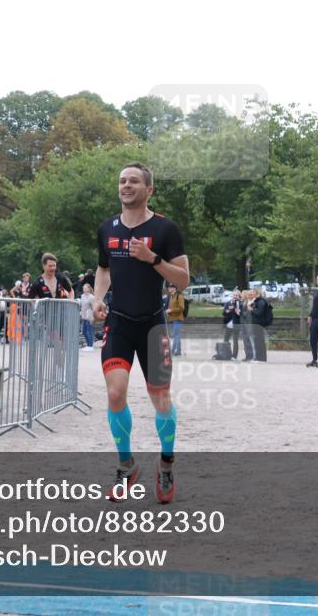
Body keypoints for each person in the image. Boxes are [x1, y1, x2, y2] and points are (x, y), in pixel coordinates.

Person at [92, 162, 189, 504]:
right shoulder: (107, 229)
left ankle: (165, 464)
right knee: (115, 394)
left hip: (153, 324)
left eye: (134, 180)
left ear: (149, 189)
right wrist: (97, 299)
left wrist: (153, 259)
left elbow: (183, 279)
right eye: (121, 181)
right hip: (118, 323)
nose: (126, 185)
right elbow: (103, 269)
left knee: (160, 399)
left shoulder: (165, 229)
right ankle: (126, 466)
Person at [165, 283, 185, 357]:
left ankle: (175, 351)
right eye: (169, 287)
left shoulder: (179, 296)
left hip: (178, 318)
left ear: (174, 288)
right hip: (173, 319)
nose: (169, 288)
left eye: (170, 287)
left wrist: (171, 310)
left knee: (176, 335)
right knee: (176, 335)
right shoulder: (172, 297)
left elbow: (181, 308)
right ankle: (176, 351)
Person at [250, 287, 270, 362]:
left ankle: (261, 358)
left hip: (259, 324)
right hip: (256, 324)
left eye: (253, 292)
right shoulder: (257, 301)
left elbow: (259, 313)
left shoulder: (261, 301)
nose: (252, 294)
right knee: (257, 341)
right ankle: (258, 357)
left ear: (257, 293)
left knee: (260, 341)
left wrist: (251, 310)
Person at [221, 291, 242, 360]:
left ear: (239, 296)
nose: (235, 296)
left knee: (235, 341)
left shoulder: (240, 303)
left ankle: (234, 356)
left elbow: (241, 314)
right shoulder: (228, 303)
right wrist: (228, 311)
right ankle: (225, 354)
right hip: (228, 325)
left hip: (236, 324)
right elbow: (224, 312)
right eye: (234, 295)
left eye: (236, 295)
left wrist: (237, 311)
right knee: (225, 340)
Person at [80, 283, 96, 350]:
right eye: (83, 288)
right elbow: (81, 304)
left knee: (89, 331)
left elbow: (94, 307)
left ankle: (90, 345)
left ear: (89, 289)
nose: (84, 289)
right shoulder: (82, 296)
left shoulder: (92, 297)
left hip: (89, 316)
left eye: (85, 288)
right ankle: (88, 345)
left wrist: (93, 316)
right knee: (84, 331)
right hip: (84, 316)